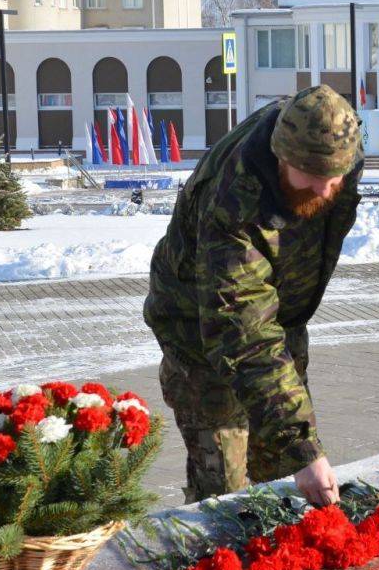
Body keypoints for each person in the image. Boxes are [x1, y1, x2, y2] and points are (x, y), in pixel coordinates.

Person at [144, 85, 362, 506]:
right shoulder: (233, 202)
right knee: (226, 496)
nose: (324, 190)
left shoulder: (339, 148)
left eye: (333, 177)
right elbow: (243, 331)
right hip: (201, 335)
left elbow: (265, 331)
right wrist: (305, 450)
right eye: (312, 177)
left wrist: (298, 452)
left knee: (287, 483)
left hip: (279, 318)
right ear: (283, 158)